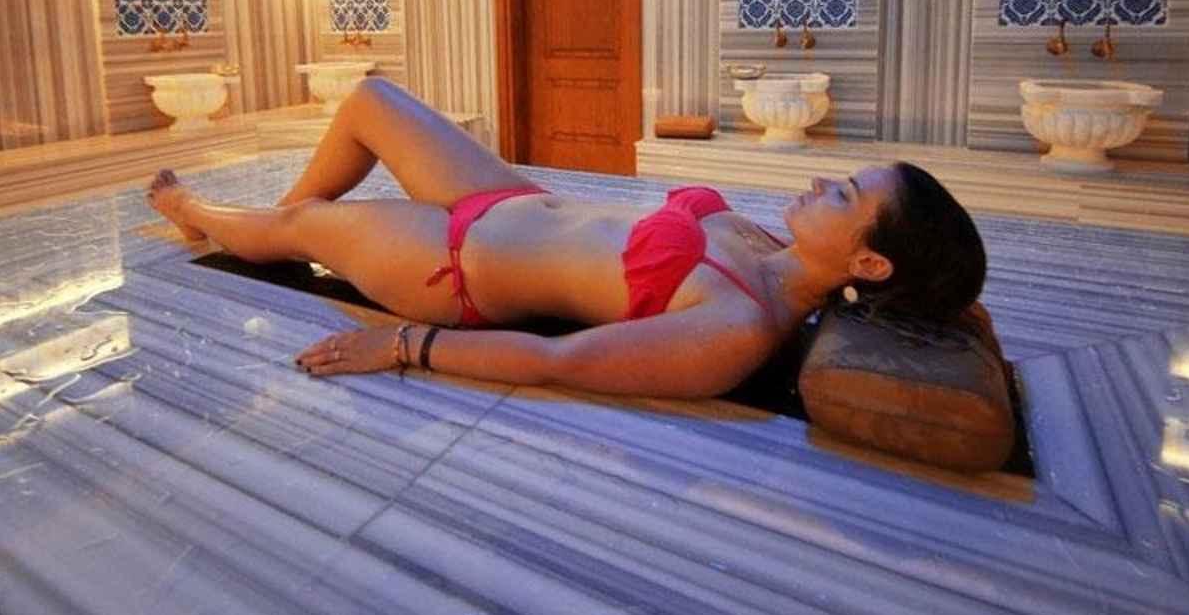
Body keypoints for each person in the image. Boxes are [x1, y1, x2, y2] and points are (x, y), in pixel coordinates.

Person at [146, 77, 985, 399]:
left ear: (868, 260)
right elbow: (937, 294)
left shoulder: (737, 326)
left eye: (845, 195)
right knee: (368, 100)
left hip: (454, 267)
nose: (823, 184)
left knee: (300, 225)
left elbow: (563, 361)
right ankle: (275, 236)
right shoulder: (769, 245)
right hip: (506, 199)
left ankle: (207, 217)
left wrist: (404, 346)